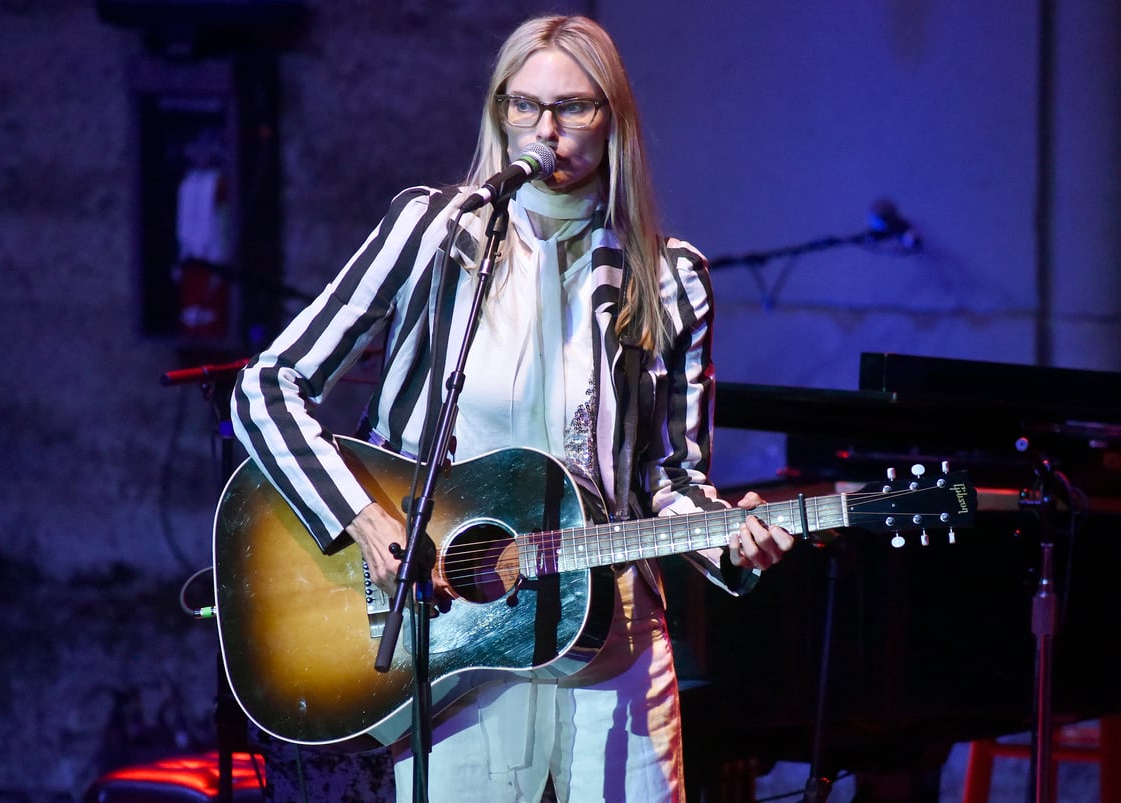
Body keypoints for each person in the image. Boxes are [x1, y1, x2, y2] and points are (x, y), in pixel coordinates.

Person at [231, 14, 795, 803]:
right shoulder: (433, 232)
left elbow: (671, 477)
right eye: (523, 105)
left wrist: (731, 542)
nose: (546, 130)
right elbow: (267, 385)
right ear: (499, 111)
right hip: (460, 636)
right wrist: (362, 514)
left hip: (613, 641)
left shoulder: (671, 278)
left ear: (615, 119)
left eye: (573, 107)